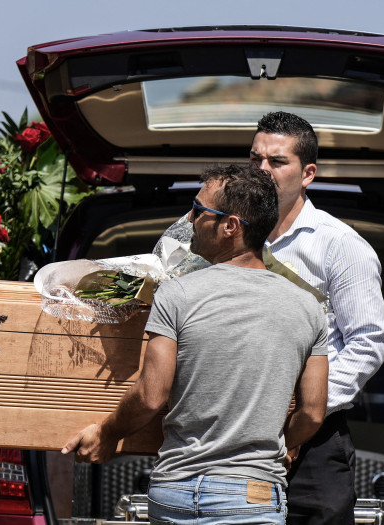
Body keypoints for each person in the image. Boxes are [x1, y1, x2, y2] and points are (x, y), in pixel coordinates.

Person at [63, 164, 330, 525]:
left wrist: (107, 433)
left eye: (199, 210)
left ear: (230, 226)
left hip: (176, 491)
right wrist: (271, 442)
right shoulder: (309, 309)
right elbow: (313, 412)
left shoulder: (177, 294)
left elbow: (150, 395)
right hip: (251, 497)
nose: (190, 219)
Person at [249, 112, 384, 525]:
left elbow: (367, 343)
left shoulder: (341, 245)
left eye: (276, 162)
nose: (261, 171)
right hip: (234, 436)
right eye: (255, 159)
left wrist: (304, 412)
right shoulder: (226, 231)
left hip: (315, 440)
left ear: (308, 173)